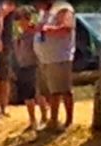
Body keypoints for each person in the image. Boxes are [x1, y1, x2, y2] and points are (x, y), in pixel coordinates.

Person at [33, 0, 76, 130]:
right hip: (45, 59)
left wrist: (46, 30)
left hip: (59, 58)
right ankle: (53, 120)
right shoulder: (43, 12)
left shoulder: (63, 8)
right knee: (50, 92)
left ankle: (67, 121)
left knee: (62, 90)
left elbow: (66, 28)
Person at [14, 5, 49, 130]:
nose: (18, 21)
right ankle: (32, 120)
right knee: (27, 96)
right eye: (17, 18)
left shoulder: (35, 33)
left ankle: (44, 117)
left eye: (21, 18)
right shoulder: (20, 35)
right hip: (23, 66)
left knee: (38, 93)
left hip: (34, 66)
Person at [0, 1, 17, 115]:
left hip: (4, 43)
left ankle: (3, 107)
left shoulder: (7, 3)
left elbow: (3, 10)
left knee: (3, 76)